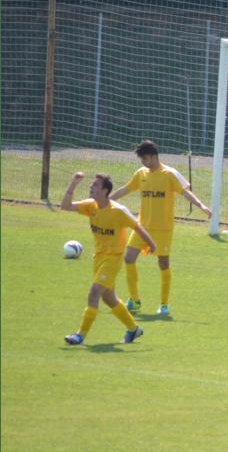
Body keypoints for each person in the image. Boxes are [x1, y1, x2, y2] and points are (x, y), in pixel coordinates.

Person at [109, 140, 211, 315]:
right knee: (129, 258)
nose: (143, 162)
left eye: (145, 158)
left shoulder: (169, 174)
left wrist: (201, 205)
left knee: (163, 263)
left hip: (163, 228)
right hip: (142, 227)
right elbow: (125, 189)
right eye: (141, 159)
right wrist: (106, 201)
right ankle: (134, 300)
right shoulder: (141, 173)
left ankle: (164, 304)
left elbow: (185, 191)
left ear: (154, 157)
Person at [61, 172, 157, 345]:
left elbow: (138, 227)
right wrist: (73, 184)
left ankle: (80, 335)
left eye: (95, 185)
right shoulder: (91, 206)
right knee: (109, 298)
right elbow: (65, 206)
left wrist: (151, 244)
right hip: (98, 258)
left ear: (105, 190)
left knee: (93, 294)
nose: (91, 186)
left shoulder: (118, 211)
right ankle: (134, 329)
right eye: (91, 183)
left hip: (112, 260)